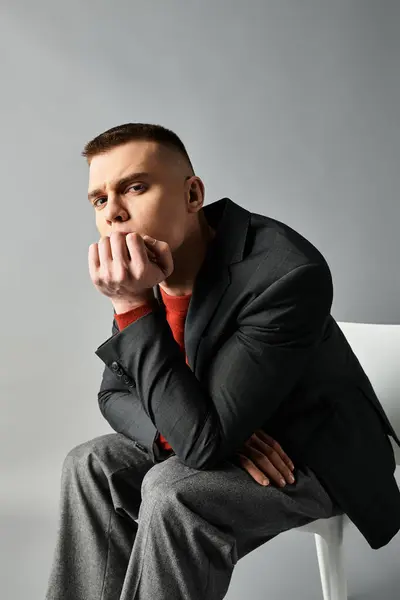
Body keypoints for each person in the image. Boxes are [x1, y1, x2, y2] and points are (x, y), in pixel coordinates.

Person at [45, 123, 400, 600]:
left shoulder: (285, 273)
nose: (115, 214)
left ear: (193, 194)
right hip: (209, 426)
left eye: (134, 187)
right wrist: (204, 434)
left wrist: (133, 307)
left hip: (313, 450)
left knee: (175, 493)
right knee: (89, 463)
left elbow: (200, 443)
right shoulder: (151, 266)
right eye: (99, 200)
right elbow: (114, 393)